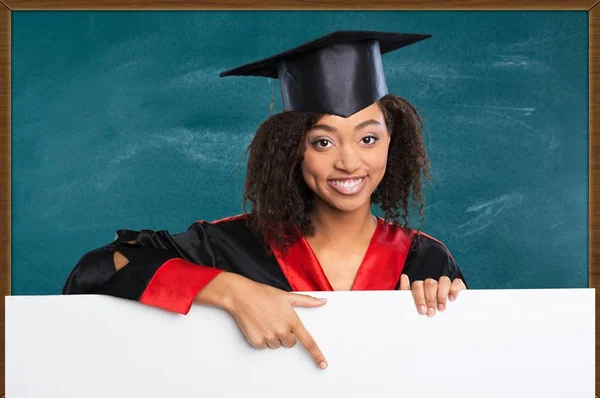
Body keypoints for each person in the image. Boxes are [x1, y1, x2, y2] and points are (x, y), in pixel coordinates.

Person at [62, 30, 468, 371]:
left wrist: (443, 311)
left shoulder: (425, 261)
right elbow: (94, 270)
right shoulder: (229, 246)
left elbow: (464, 368)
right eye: (322, 141)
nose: (349, 162)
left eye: (368, 138)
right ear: (293, 148)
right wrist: (232, 291)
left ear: (391, 143)